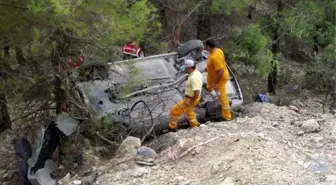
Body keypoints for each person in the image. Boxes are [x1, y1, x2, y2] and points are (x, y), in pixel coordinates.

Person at [168, 59, 203, 131]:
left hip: (191, 98)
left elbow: (197, 92)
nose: (185, 70)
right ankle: (195, 125)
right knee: (190, 112)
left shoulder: (194, 78)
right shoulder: (197, 73)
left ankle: (172, 127)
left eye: (186, 68)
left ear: (190, 68)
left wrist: (190, 101)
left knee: (173, 111)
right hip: (194, 98)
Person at [204, 39, 232, 121]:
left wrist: (216, 84)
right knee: (209, 88)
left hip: (220, 80)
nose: (205, 48)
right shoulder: (218, 50)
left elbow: (220, 71)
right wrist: (208, 68)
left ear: (208, 47)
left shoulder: (214, 57)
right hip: (213, 78)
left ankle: (227, 117)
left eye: (206, 46)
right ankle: (209, 89)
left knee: (222, 97)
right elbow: (220, 63)